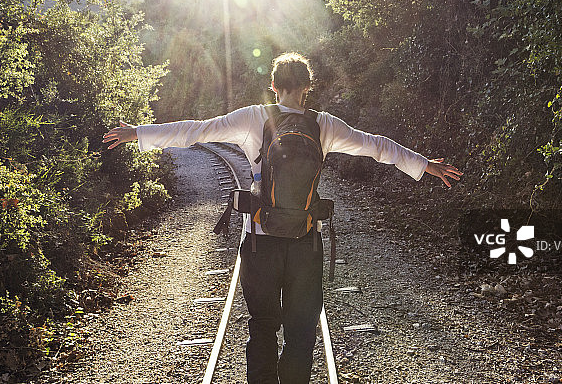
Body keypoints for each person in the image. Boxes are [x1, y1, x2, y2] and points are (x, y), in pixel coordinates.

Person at [102, 52, 462, 384]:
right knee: (301, 332)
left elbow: (196, 130)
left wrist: (138, 133)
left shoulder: (253, 118)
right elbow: (377, 145)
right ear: (308, 87)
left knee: (262, 325)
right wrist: (424, 165)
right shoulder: (324, 125)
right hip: (305, 242)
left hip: (260, 242)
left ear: (274, 85)